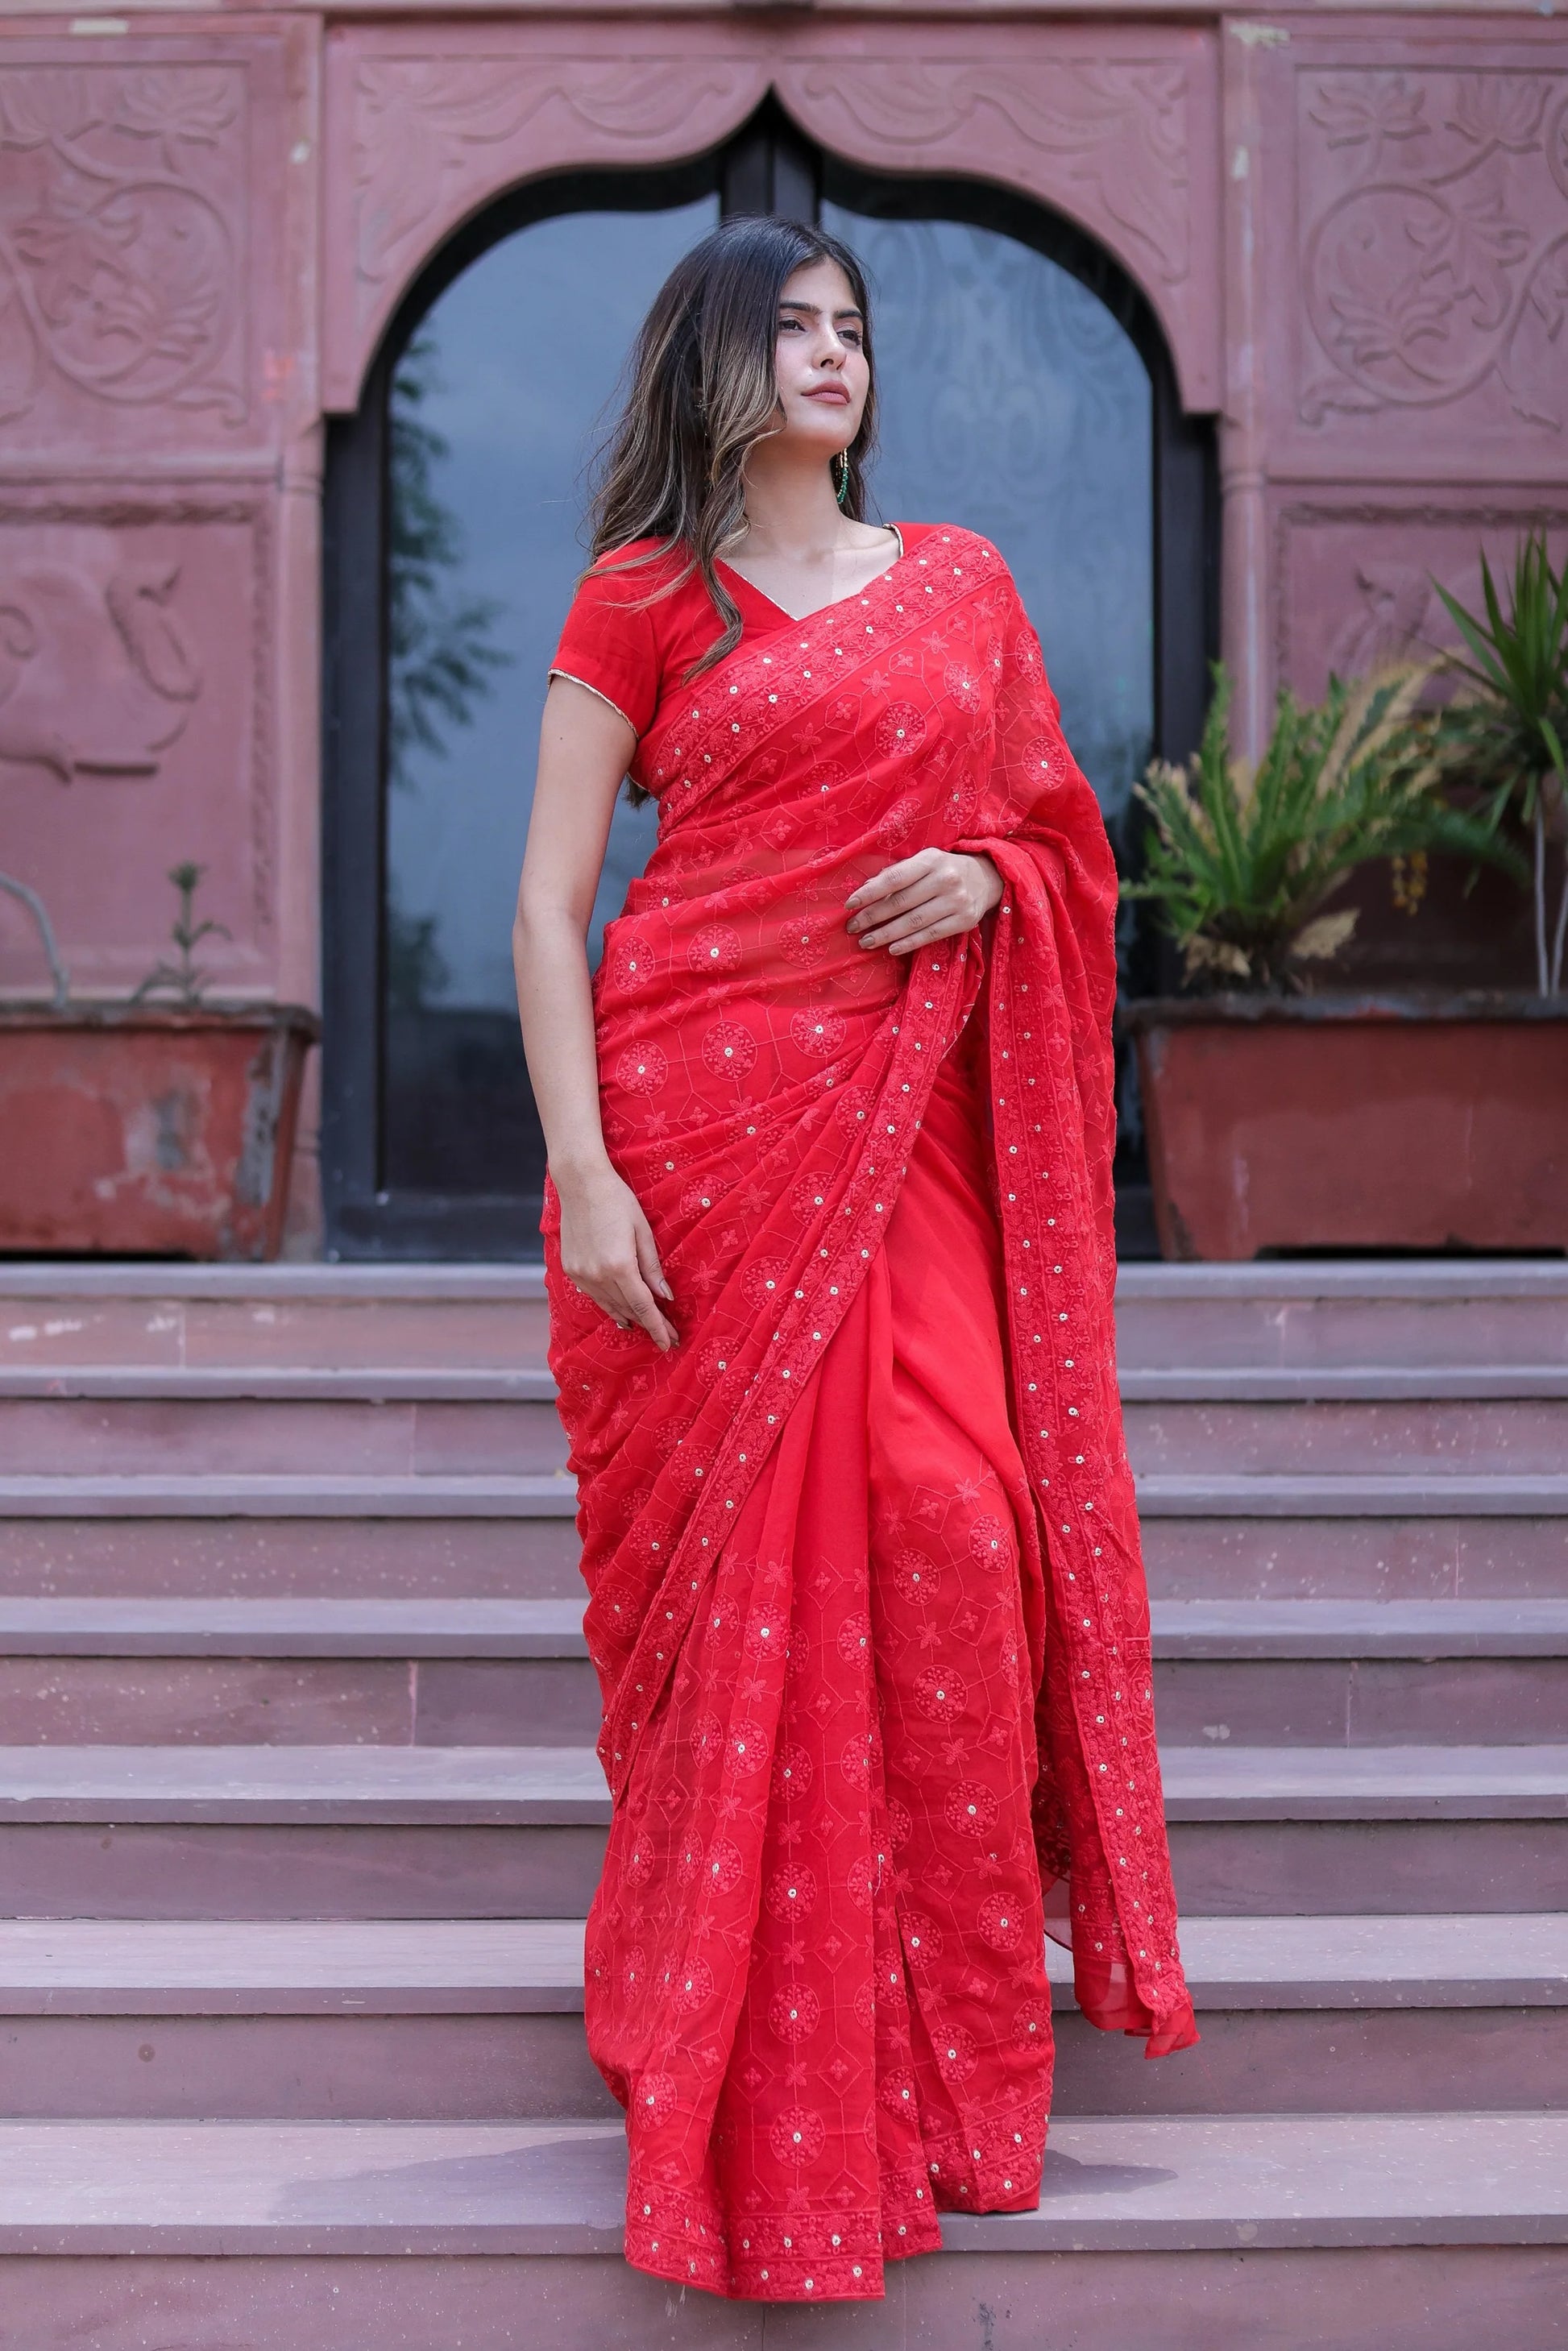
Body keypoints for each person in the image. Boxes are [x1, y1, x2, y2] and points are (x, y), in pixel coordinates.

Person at [512, 214, 1197, 2308]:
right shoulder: (641, 597)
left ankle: (952, 2062)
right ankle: (765, 2057)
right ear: (710, 363)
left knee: (955, 1525)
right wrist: (585, 1172)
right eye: (791, 328)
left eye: (851, 329)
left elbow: (1059, 840)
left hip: (902, 1146)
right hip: (697, 1138)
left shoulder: (958, 583)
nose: (832, 355)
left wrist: (984, 875)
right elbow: (546, 903)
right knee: (752, 1586)